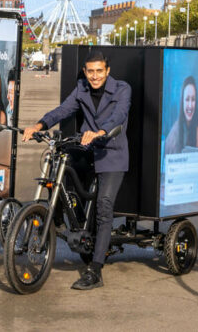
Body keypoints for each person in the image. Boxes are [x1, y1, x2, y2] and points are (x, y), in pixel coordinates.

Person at [22, 51, 130, 291]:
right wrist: (39, 125)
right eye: (90, 71)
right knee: (59, 176)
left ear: (107, 70)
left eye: (99, 71)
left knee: (103, 207)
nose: (94, 76)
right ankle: (58, 220)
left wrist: (100, 132)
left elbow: (118, 116)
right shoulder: (81, 88)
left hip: (111, 152)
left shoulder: (122, 89)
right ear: (85, 71)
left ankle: (95, 270)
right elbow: (63, 110)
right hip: (85, 150)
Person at [164, 75, 198, 154]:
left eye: (193, 99)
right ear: (182, 102)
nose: (190, 105)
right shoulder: (173, 136)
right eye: (187, 99)